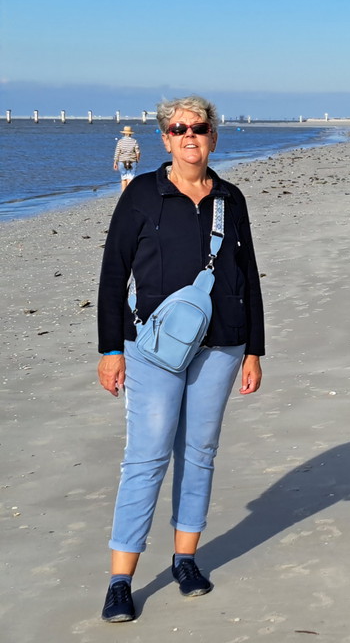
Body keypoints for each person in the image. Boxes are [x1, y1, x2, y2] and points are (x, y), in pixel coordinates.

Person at [96, 95, 265, 623]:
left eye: (198, 127)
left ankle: (185, 560)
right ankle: (120, 580)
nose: (189, 135)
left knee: (199, 452)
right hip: (152, 348)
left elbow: (248, 277)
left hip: (222, 345)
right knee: (146, 457)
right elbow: (113, 273)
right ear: (165, 138)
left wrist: (254, 350)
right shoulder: (142, 195)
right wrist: (110, 349)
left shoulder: (230, 198)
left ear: (213, 136)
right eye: (178, 128)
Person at [113, 126, 141, 191]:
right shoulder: (134, 141)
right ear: (131, 133)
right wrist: (137, 159)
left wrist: (115, 162)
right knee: (130, 178)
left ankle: (123, 194)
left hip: (122, 161)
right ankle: (129, 193)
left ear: (123, 133)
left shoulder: (120, 141)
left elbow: (117, 152)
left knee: (123, 178)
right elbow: (138, 152)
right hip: (132, 161)